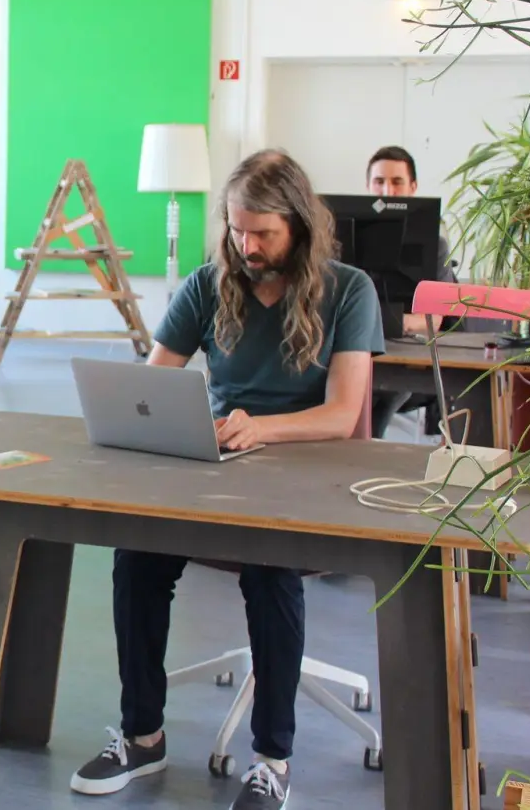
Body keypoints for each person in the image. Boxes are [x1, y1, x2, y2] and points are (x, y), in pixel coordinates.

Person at [69, 150, 384, 810]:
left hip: (302, 468)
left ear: (299, 225)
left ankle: (272, 761)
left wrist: (262, 427)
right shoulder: (210, 282)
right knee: (137, 557)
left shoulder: (350, 289)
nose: (248, 246)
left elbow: (344, 413)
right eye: (238, 230)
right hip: (215, 463)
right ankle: (142, 739)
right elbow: (154, 378)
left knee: (270, 571)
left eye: (263, 233)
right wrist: (156, 412)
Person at [364, 145, 457, 438]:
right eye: (379, 182)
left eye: (396, 182)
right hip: (359, 349)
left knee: (390, 389)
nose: (387, 190)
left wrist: (385, 321)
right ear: (368, 186)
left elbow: (434, 320)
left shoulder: (435, 246)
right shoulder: (342, 236)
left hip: (408, 354)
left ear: (413, 187)